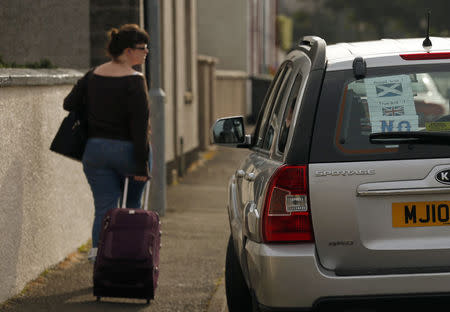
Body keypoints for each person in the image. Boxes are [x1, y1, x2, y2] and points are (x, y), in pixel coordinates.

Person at [63, 24, 152, 262]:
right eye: (142, 48)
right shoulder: (135, 80)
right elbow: (140, 127)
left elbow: (69, 103)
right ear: (127, 51)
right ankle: (131, 257)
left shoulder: (92, 75)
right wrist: (142, 166)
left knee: (104, 207)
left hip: (95, 151)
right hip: (127, 152)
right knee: (132, 204)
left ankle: (98, 257)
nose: (146, 52)